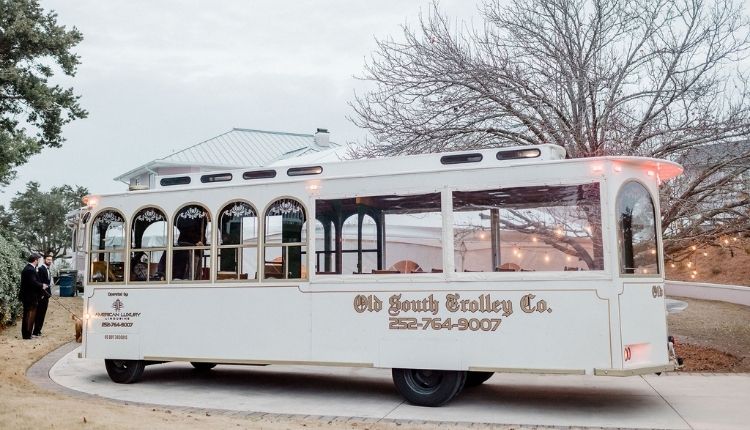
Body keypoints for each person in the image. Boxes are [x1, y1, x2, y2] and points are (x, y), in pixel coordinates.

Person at [19, 253, 47, 339]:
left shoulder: (30, 268)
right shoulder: (29, 269)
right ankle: (27, 335)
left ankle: (29, 334)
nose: (39, 261)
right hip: (29, 297)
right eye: (38, 260)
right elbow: (33, 282)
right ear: (35, 260)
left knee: (31, 315)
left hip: (31, 296)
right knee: (28, 315)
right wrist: (42, 285)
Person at [34, 254, 54, 336]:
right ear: (44, 260)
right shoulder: (41, 269)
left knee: (43, 313)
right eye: (48, 259)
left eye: (50, 260)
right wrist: (41, 294)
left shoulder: (48, 269)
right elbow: (39, 283)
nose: (49, 261)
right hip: (42, 295)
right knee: (39, 313)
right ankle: (36, 331)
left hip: (47, 295)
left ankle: (38, 330)